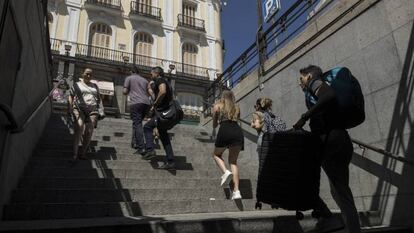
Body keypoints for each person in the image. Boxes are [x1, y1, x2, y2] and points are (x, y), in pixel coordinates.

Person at [293, 65, 361, 233]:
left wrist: (304, 117)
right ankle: (353, 229)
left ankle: (327, 218)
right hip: (342, 139)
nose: (299, 83)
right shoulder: (322, 85)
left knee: (299, 176)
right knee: (340, 190)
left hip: (328, 140)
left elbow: (328, 95)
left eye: (300, 79)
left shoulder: (315, 83)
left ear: (308, 76)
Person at [212, 90, 244, 200]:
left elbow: (214, 125)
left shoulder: (217, 106)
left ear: (222, 96)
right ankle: (237, 191)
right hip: (237, 131)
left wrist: (216, 115)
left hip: (224, 130)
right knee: (233, 162)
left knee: (216, 155)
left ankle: (225, 172)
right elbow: (237, 119)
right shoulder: (237, 107)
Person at [143, 66, 175, 170]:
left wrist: (155, 104)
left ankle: (150, 149)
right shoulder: (166, 82)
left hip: (163, 113)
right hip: (166, 113)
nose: (150, 75)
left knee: (147, 127)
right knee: (164, 136)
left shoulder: (160, 80)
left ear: (156, 73)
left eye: (151, 74)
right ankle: (170, 162)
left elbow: (163, 91)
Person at [68, 68, 102, 160]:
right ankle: (74, 154)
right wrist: (70, 107)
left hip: (93, 110)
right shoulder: (77, 84)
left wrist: (100, 109)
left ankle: (82, 153)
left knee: (89, 131)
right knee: (79, 127)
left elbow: (98, 98)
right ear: (82, 74)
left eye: (90, 75)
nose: (89, 76)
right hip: (79, 108)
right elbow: (71, 96)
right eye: (87, 74)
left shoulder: (95, 86)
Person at [123, 66, 151, 156]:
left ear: (131, 71)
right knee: (137, 123)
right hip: (146, 103)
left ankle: (141, 147)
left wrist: (129, 91)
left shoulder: (129, 78)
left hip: (136, 103)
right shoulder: (145, 80)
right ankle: (134, 142)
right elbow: (149, 92)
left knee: (137, 123)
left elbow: (124, 91)